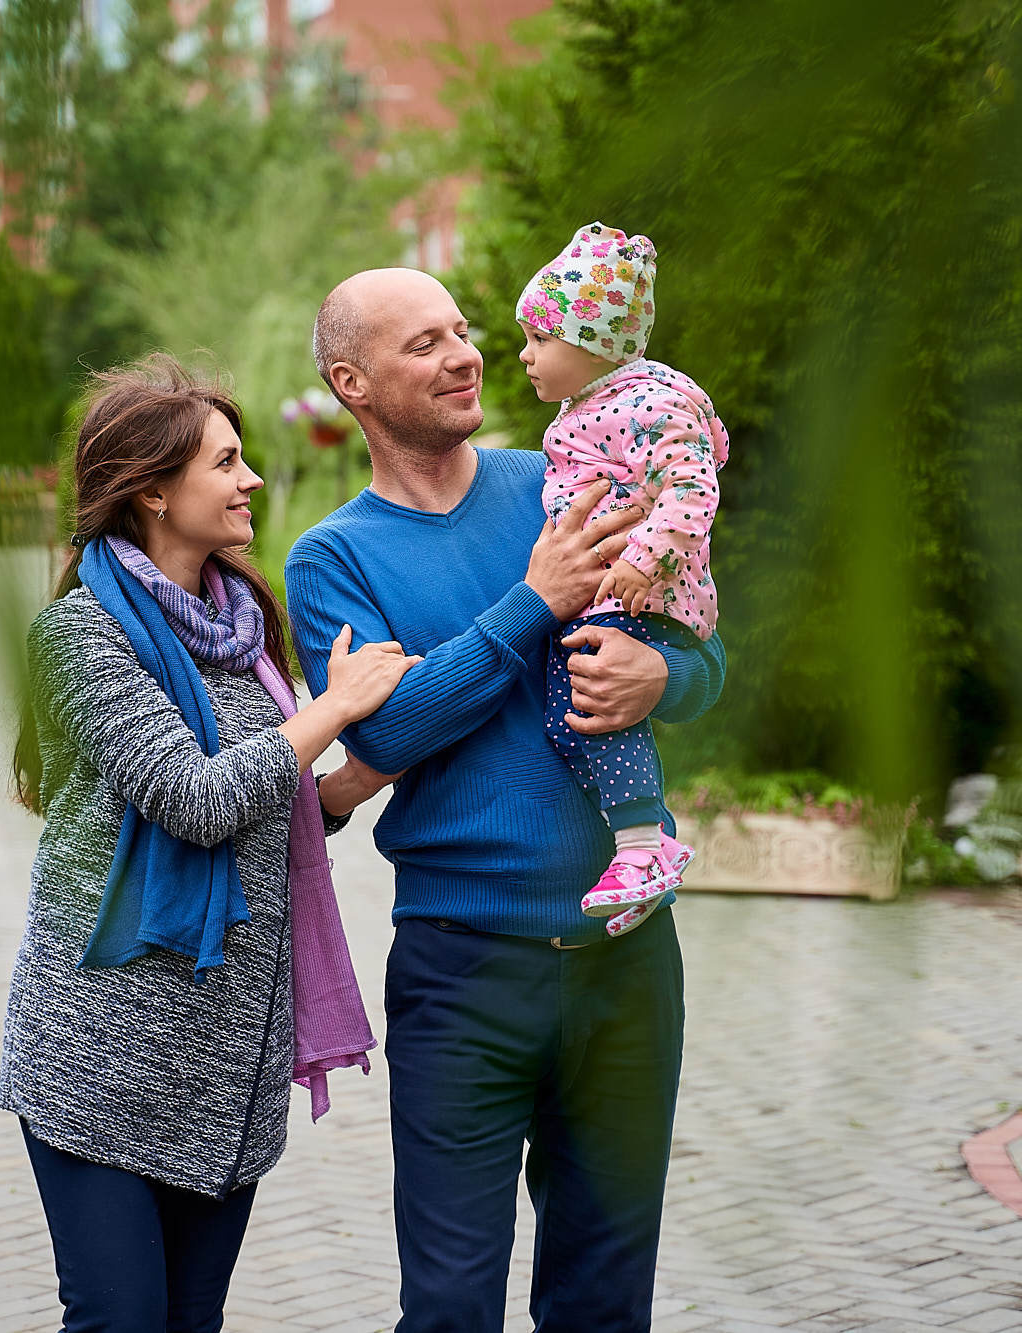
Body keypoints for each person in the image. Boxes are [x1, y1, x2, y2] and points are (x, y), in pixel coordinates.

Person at [285, 267, 726, 1333]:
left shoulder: (565, 475)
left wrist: (664, 679)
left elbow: (701, 648)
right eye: (421, 344)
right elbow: (385, 729)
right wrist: (534, 600)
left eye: (461, 330)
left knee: (604, 1306)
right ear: (351, 382)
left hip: (627, 968)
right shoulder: (333, 556)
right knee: (447, 1311)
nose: (462, 354)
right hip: (463, 975)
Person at [0, 354, 412, 1333]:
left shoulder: (241, 624)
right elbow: (190, 798)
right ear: (151, 490)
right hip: (100, 1057)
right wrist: (332, 710)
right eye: (225, 463)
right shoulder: (81, 633)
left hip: (224, 1062)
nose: (251, 480)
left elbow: (258, 796)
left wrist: (345, 786)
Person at [515, 222, 729, 932]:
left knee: (593, 702)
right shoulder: (597, 406)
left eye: (539, 340)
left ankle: (643, 844)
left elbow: (693, 485)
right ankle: (635, 858)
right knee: (570, 718)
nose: (524, 356)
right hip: (608, 594)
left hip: (635, 593)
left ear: (591, 341)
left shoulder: (648, 402)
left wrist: (644, 560)